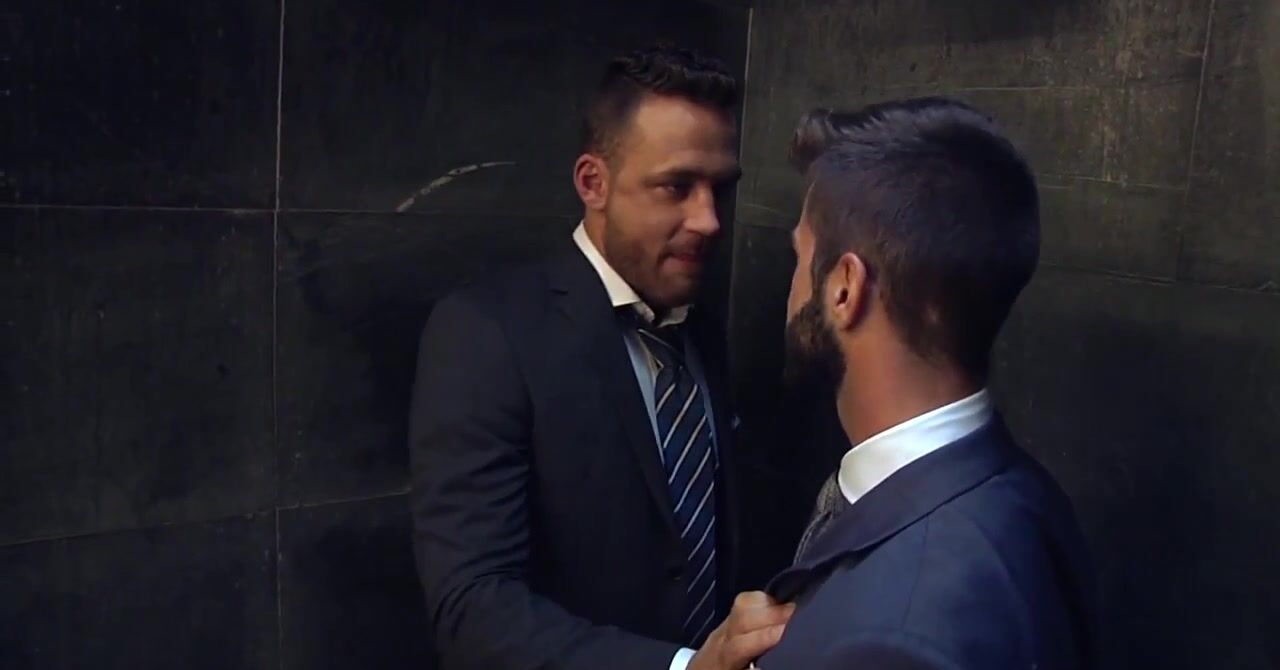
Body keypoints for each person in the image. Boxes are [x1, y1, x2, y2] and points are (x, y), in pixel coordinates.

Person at [408, 45, 792, 670]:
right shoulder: (488, 333)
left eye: (721, 189)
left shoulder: (698, 327)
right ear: (594, 183)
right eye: (676, 186)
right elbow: (473, 608)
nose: (709, 220)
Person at [757, 99, 1097, 669]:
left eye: (799, 257)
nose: (791, 289)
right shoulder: (1025, 496)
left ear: (844, 289)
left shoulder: (895, 640)